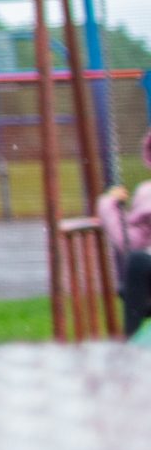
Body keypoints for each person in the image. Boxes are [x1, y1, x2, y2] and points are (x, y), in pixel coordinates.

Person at [96, 130, 151, 336]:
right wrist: (110, 206)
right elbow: (129, 242)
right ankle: (132, 340)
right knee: (137, 260)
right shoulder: (147, 193)